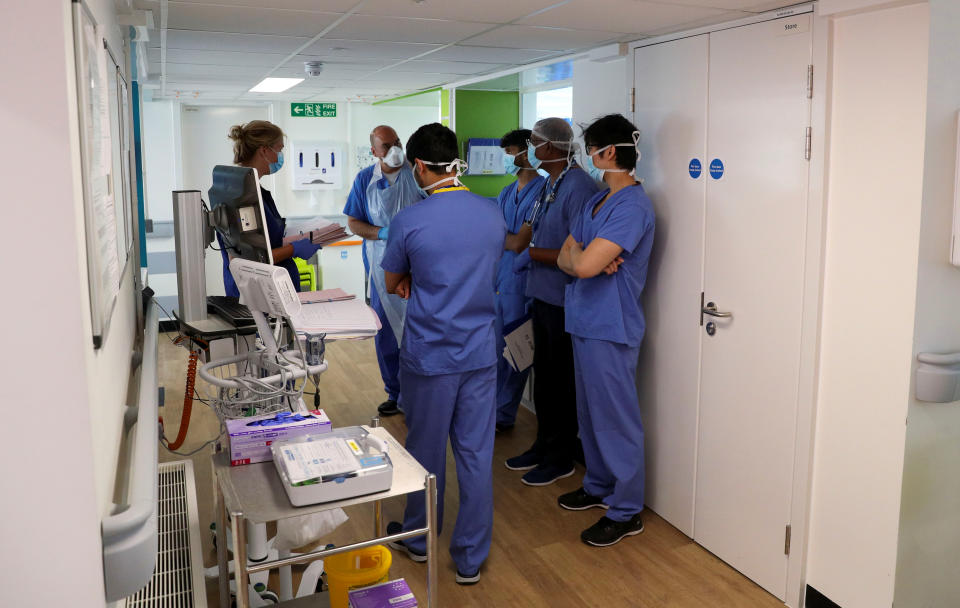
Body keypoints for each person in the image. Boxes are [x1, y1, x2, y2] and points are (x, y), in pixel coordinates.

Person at [380, 123, 506, 585]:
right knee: (475, 454)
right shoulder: (491, 213)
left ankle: (417, 538)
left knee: (426, 450)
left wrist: (416, 278)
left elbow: (393, 283)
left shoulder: (411, 220)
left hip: (432, 354)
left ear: (417, 166)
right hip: (479, 353)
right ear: (454, 161)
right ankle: (470, 558)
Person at [556, 114, 654, 547]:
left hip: (611, 326)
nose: (589, 156)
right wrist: (584, 260)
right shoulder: (595, 201)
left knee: (616, 420)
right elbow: (566, 257)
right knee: (590, 413)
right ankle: (598, 485)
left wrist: (584, 260)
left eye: (592, 148)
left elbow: (583, 262)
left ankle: (627, 509)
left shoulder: (633, 205)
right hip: (583, 318)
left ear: (609, 152)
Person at [504, 118, 599, 487]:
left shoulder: (577, 187)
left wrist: (531, 252)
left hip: (563, 301)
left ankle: (560, 457)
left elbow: (574, 250)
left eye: (534, 142)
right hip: (542, 295)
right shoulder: (551, 185)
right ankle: (542, 445)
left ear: (552, 147)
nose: (529, 148)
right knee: (543, 380)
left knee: (560, 383)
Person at [343, 125, 424, 417]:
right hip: (380, 268)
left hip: (418, 268)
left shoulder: (418, 174)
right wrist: (383, 232)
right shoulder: (365, 179)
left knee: (417, 331)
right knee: (387, 333)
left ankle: (419, 393)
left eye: (398, 142)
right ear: (374, 151)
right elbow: (354, 222)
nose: (395, 149)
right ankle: (395, 392)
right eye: (387, 145)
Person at [220, 120, 320, 297]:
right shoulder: (240, 197)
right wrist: (294, 249)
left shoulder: (256, 192)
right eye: (279, 150)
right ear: (264, 151)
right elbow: (246, 260)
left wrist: (294, 239)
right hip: (258, 296)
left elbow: (263, 240)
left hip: (272, 291)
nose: (280, 157)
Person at [493, 129, 546, 432]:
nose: (508, 159)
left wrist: (509, 239)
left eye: (511, 152)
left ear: (528, 152)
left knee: (516, 352)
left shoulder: (542, 192)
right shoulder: (505, 192)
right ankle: (493, 409)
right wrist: (510, 238)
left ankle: (504, 415)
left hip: (523, 284)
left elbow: (517, 244)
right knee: (495, 351)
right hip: (500, 282)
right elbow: (498, 237)